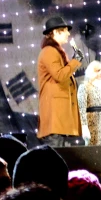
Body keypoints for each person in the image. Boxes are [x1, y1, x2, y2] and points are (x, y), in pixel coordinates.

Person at [37, 15, 84, 147]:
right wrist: (75, 61)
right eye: (65, 30)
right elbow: (59, 75)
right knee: (55, 152)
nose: (68, 33)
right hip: (54, 116)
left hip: (58, 117)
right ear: (56, 32)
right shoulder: (49, 52)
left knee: (59, 151)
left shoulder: (55, 51)